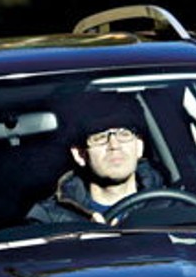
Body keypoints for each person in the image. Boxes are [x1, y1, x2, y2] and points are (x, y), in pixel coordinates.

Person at [25, 94, 165, 224]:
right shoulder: (51, 219)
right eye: (100, 137)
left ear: (139, 146)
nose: (114, 145)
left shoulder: (170, 205)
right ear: (80, 155)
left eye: (124, 134)